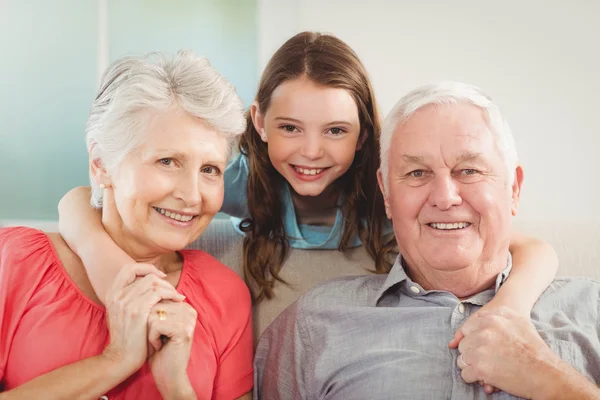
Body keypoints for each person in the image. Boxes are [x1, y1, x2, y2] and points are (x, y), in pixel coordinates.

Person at [58, 33, 556, 321]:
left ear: (363, 135)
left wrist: (508, 310)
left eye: (336, 130)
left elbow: (532, 249)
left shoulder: (391, 199)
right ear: (258, 122)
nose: (311, 152)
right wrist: (107, 267)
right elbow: (78, 202)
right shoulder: (232, 181)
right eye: (290, 128)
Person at [253, 81, 600, 399]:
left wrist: (552, 380)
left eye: (469, 170)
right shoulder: (317, 322)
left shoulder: (590, 309)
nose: (445, 197)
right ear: (387, 194)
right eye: (417, 173)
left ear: (514, 189)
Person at [0, 51, 253, 399]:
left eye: (210, 169)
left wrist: (177, 388)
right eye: (167, 161)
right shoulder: (13, 263)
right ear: (102, 164)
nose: (192, 195)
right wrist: (115, 361)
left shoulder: (225, 295)